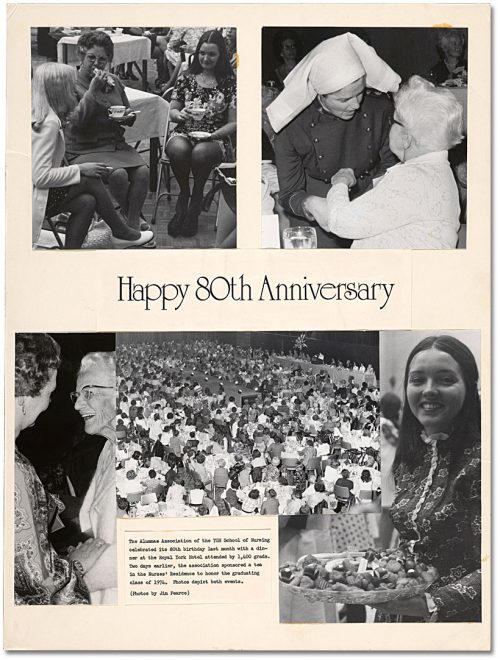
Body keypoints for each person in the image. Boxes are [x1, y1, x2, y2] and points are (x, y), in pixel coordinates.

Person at [376, 335, 480, 622]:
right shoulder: (410, 455)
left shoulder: (484, 459)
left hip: (459, 623)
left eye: (445, 380)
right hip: (398, 612)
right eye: (418, 379)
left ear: (470, 388)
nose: (429, 390)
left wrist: (432, 603)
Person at [266, 32, 401, 247]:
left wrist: (373, 198)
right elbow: (289, 193)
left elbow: (391, 166)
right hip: (318, 200)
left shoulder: (379, 109)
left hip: (370, 194)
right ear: (320, 94)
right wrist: (309, 204)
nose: (356, 104)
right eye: (344, 99)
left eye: (360, 93)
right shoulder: (292, 127)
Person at [305, 76, 463, 249]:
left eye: (395, 121)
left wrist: (340, 183)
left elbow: (340, 222)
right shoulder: (438, 173)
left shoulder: (412, 178)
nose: (389, 126)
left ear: (406, 139)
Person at [14, 334, 106, 604]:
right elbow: (37, 588)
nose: (48, 404)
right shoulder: (15, 470)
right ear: (23, 396)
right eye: (48, 394)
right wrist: (75, 565)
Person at [31, 63, 153, 249]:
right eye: (71, 88)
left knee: (87, 202)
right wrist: (80, 168)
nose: (74, 92)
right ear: (59, 90)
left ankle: (72, 256)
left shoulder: (42, 113)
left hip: (33, 191)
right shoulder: (49, 124)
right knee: (89, 179)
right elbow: (40, 177)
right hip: (33, 196)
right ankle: (122, 232)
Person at [64, 31, 150, 234]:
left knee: (144, 172)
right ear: (81, 56)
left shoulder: (114, 81)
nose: (96, 63)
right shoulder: (71, 83)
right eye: (91, 57)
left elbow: (128, 112)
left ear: (109, 60)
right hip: (83, 148)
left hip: (114, 144)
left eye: (102, 59)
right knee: (118, 175)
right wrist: (93, 90)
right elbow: (76, 124)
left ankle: (131, 219)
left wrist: (128, 117)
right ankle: (131, 221)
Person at [165, 30, 236, 238]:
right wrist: (181, 114)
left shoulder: (229, 82)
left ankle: (196, 198)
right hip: (185, 131)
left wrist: (212, 136)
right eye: (202, 53)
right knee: (177, 149)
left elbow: (234, 122)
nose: (206, 58)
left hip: (214, 136)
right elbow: (173, 111)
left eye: (212, 54)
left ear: (221, 56)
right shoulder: (186, 77)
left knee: (201, 153)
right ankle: (184, 192)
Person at [72, 351, 118, 604]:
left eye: (88, 392)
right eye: (77, 394)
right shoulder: (109, 446)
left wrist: (69, 584)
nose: (77, 404)